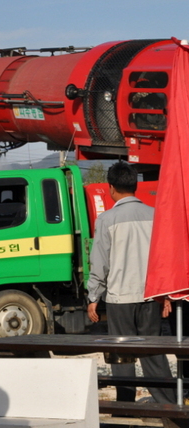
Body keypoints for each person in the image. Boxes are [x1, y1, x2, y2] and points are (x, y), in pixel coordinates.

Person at [87, 161, 176, 404]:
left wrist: (93, 296)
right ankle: (167, 405)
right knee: (153, 353)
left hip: (119, 299)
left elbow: (100, 263)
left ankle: (125, 406)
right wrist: (166, 294)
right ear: (135, 186)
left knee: (121, 356)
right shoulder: (154, 215)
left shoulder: (107, 219)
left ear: (111, 188)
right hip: (150, 297)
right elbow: (164, 259)